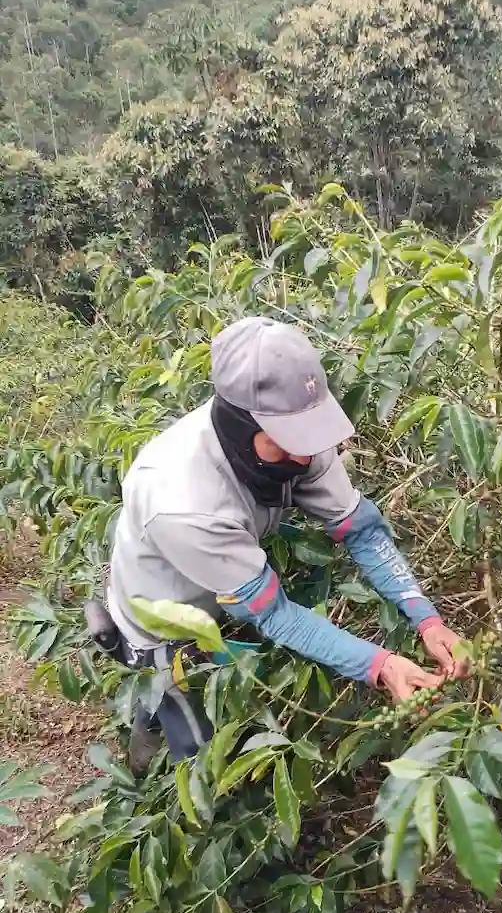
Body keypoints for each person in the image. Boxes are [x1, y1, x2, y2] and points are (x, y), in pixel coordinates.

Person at [96, 317, 467, 769]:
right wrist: (381, 665)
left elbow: (361, 529)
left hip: (217, 586)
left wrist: (427, 620)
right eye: (286, 442)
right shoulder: (182, 500)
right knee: (196, 749)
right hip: (159, 619)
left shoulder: (299, 438)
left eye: (309, 435)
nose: (304, 456)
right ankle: (147, 770)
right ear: (237, 425)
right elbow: (274, 614)